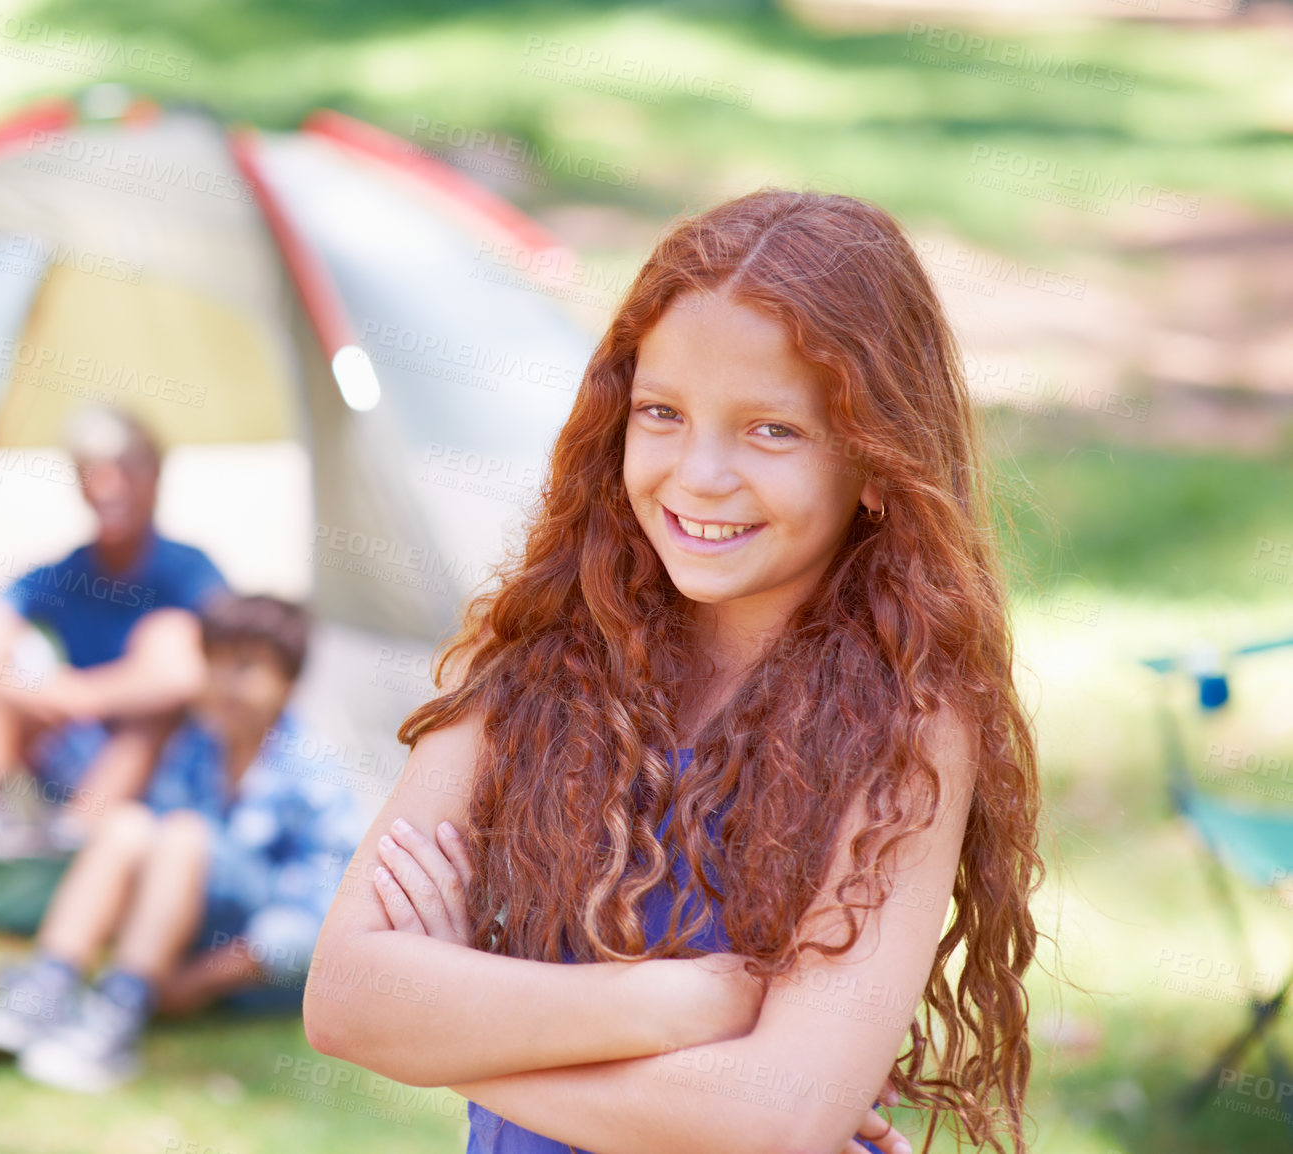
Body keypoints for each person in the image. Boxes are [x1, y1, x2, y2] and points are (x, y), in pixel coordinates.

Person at [304, 190, 1044, 1154]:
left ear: (876, 463)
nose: (699, 474)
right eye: (661, 412)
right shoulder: (538, 654)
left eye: (771, 430)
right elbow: (347, 998)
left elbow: (772, 1120)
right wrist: (666, 1006)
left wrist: (453, 1029)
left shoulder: (907, 719)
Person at [0, 593, 361, 1094]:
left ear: (288, 683)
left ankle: (118, 1013)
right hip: (177, 936)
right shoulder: (197, 746)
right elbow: (151, 857)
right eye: (216, 665)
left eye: (247, 668)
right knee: (127, 825)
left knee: (184, 833)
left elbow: (322, 912)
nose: (227, 685)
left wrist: (200, 981)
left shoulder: (311, 771)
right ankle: (49, 984)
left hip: (248, 967)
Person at [0, 405, 229, 850]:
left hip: (167, 772)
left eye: (124, 471)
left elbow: (191, 677)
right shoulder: (61, 573)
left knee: (166, 649)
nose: (106, 489)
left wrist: (81, 695)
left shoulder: (191, 573)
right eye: (91, 473)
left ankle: (76, 839)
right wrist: (35, 691)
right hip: (73, 750)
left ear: (155, 478)